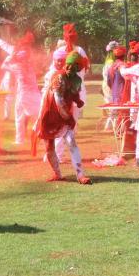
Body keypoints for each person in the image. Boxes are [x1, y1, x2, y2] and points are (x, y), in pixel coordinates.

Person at [32, 51, 91, 184]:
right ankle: (57, 174)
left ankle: (80, 175)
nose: (70, 68)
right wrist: (68, 117)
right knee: (49, 147)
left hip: (63, 114)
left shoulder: (77, 79)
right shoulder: (58, 77)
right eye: (69, 65)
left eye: (74, 66)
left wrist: (77, 100)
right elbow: (58, 100)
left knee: (71, 141)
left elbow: (73, 92)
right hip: (49, 113)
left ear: (78, 67)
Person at [0, 31, 41, 145]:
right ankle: (35, 138)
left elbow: (3, 66)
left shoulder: (16, 66)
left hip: (24, 95)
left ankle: (22, 139)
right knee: (34, 116)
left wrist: (11, 56)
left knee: (23, 117)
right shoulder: (30, 66)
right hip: (35, 94)